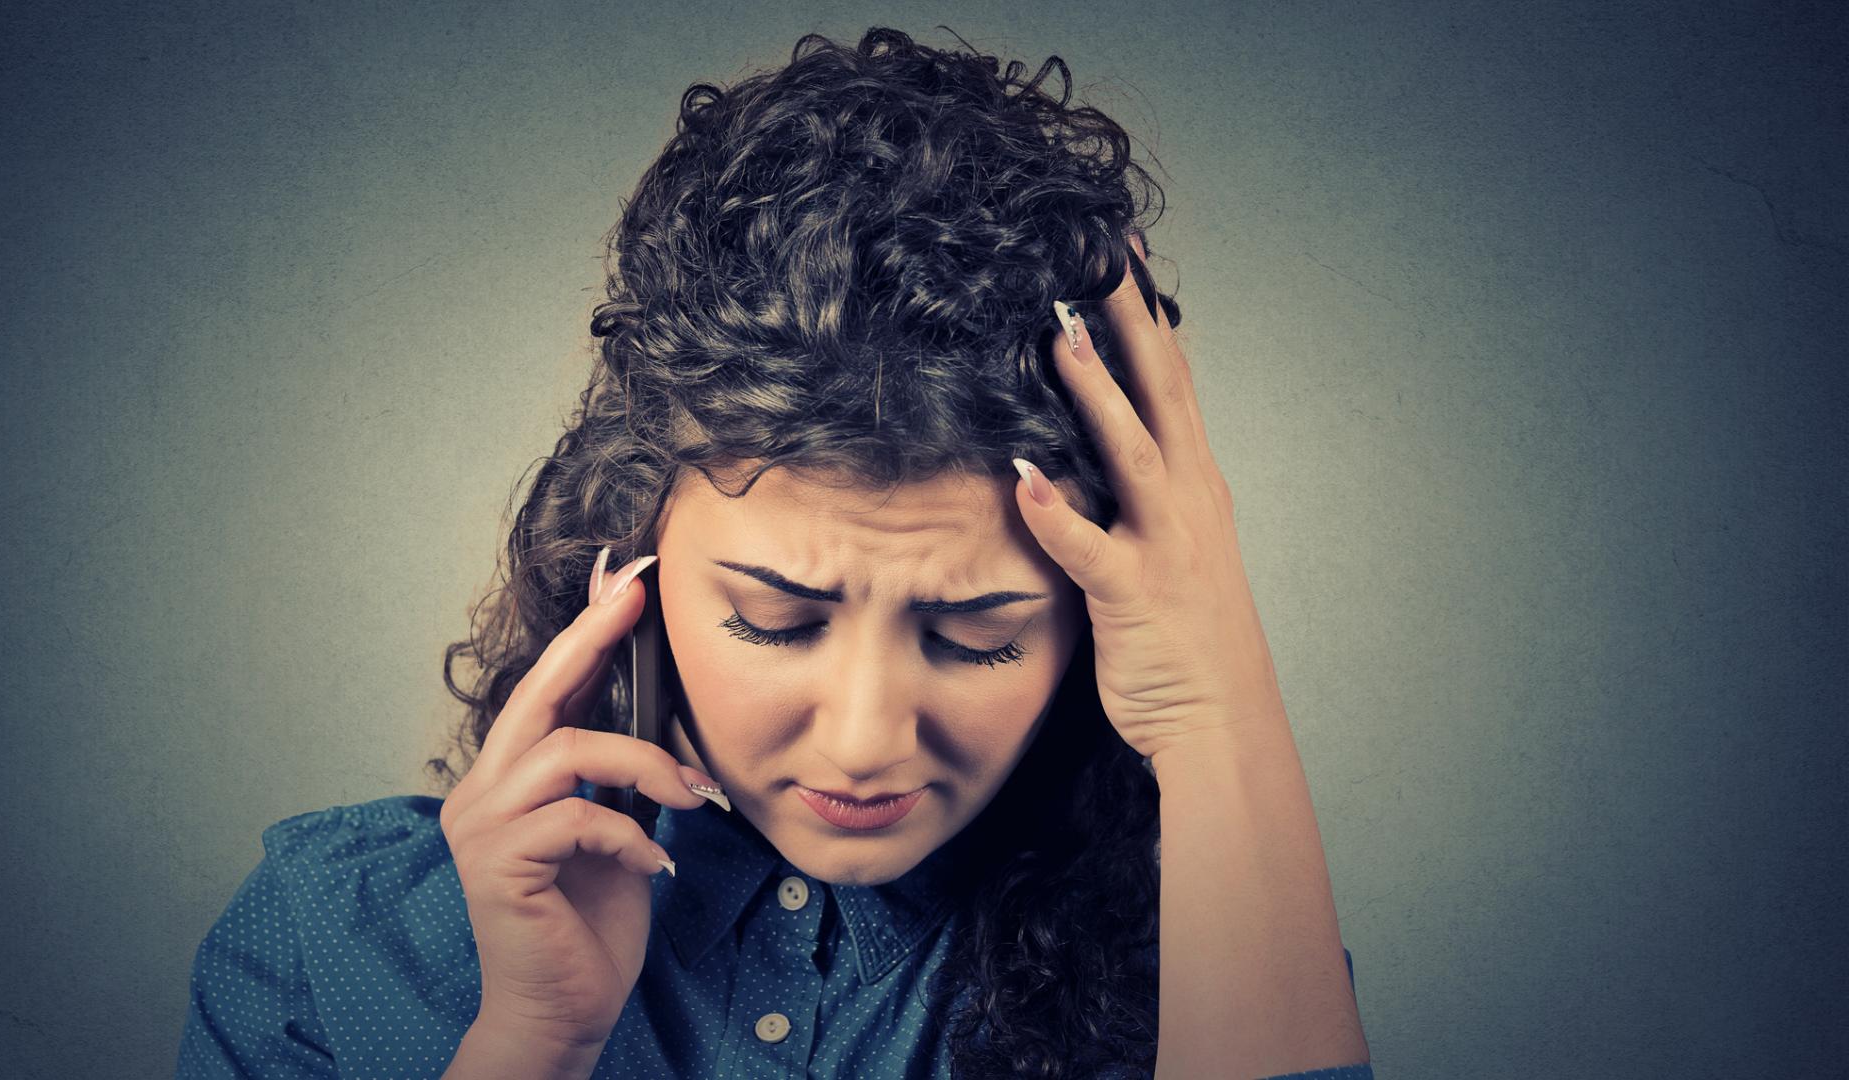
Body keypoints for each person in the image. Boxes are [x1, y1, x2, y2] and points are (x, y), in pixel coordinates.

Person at [176, 27, 1374, 1079]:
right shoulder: (327, 946)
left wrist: (1218, 709)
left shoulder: (1219, 954)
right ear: (627, 549)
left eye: (977, 637)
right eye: (776, 620)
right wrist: (528, 1047)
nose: (863, 741)